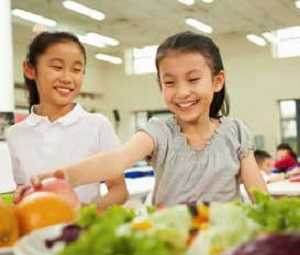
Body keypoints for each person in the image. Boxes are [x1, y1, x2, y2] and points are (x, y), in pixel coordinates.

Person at [16, 31, 267, 206]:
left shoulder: (235, 132)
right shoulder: (159, 131)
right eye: (169, 82)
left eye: (193, 79)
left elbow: (259, 195)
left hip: (227, 245)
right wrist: (64, 176)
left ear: (217, 81)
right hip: (171, 244)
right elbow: (116, 160)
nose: (182, 92)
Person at [7, 31, 128, 210]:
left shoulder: (97, 125)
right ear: (30, 70)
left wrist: (86, 213)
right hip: (36, 231)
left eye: (77, 70)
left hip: (83, 233)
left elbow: (119, 190)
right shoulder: (15, 134)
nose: (67, 78)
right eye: (57, 67)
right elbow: (21, 190)